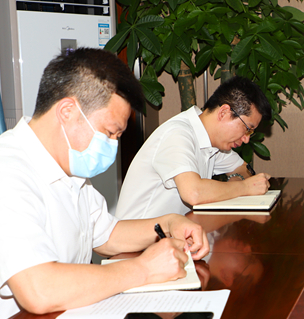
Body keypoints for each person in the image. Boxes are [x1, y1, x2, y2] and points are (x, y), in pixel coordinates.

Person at [0, 48, 210, 319]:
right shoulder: (2, 174)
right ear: (67, 111)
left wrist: (168, 223)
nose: (113, 146)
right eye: (110, 133)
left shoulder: (67, 168)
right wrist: (143, 269)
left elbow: (107, 236)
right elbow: (39, 290)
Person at [116, 76, 273, 219]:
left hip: (175, 234)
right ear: (224, 112)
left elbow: (243, 169)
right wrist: (243, 187)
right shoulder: (178, 134)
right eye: (247, 128)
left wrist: (236, 179)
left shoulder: (215, 142)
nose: (246, 139)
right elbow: (193, 193)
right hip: (140, 239)